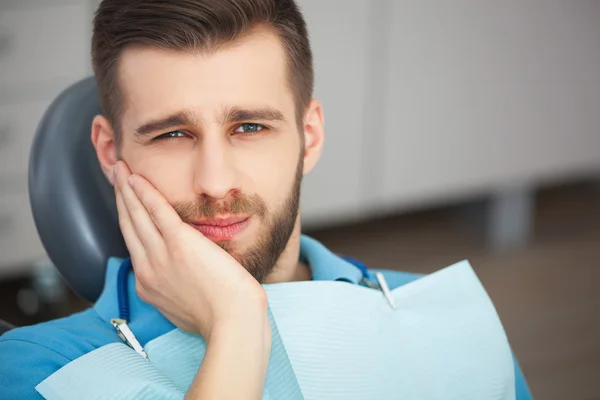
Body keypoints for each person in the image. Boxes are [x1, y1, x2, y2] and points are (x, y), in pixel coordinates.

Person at [0, 0, 533, 399]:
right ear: (111, 151)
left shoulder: (447, 321)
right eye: (172, 134)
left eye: (249, 127)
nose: (214, 182)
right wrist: (235, 324)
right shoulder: (38, 370)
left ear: (310, 137)